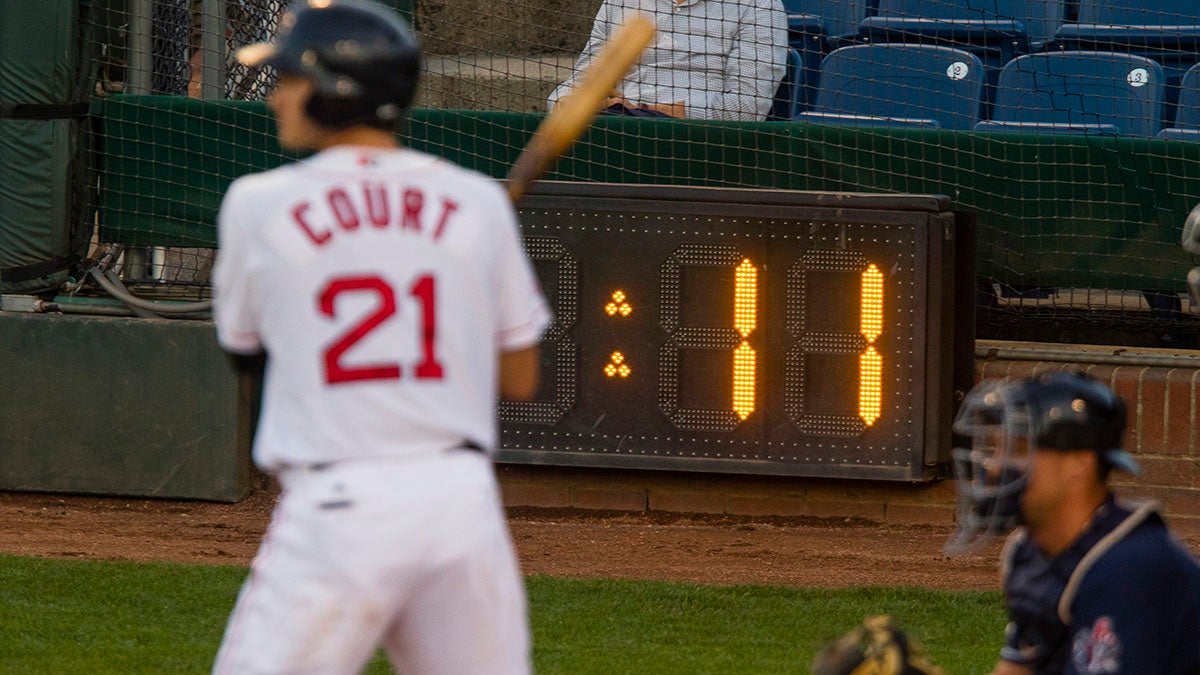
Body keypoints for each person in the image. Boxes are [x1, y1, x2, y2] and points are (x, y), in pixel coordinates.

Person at [210, 1, 550, 672]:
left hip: (338, 507)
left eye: (290, 79)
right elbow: (519, 379)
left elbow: (244, 352)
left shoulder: (256, 202)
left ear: (335, 92)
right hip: (460, 503)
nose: (278, 95)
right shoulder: (477, 202)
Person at [945, 371, 1200, 675]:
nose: (998, 466)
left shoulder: (1132, 569)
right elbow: (1016, 670)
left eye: (1019, 449)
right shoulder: (1030, 551)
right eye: (998, 449)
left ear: (1078, 464)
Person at [548, 0, 787, 121]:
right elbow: (573, 86)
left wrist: (647, 112)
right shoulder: (621, 1)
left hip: (697, 143)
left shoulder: (758, 5)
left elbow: (747, 108)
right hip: (617, 128)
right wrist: (575, 103)